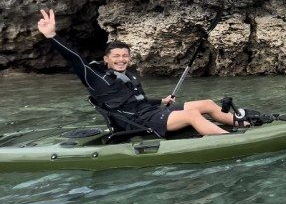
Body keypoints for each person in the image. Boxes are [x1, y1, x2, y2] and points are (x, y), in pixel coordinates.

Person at [36, 9, 243, 136]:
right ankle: (230, 139)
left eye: (125, 56)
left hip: (150, 112)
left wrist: (161, 101)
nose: (121, 59)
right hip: (136, 122)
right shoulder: (95, 76)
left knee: (206, 103)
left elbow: (138, 100)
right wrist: (52, 35)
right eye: (116, 56)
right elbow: (75, 58)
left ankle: (245, 123)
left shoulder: (130, 75)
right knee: (192, 114)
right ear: (106, 59)